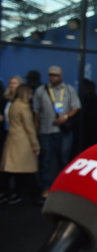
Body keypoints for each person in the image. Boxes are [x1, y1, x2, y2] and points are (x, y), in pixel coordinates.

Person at [33, 66, 81, 198]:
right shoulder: (41, 90)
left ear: (61, 76)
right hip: (45, 130)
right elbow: (36, 112)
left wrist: (65, 117)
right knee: (45, 161)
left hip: (63, 130)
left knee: (63, 159)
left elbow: (76, 107)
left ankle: (63, 186)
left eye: (55, 75)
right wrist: (35, 131)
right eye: (50, 75)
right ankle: (46, 187)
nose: (52, 77)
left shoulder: (69, 89)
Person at [0, 84, 40, 204]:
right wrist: (36, 145)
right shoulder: (24, 107)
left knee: (11, 170)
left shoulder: (13, 105)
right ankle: (35, 196)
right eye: (29, 94)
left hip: (12, 140)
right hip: (23, 142)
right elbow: (29, 128)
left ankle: (11, 194)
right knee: (28, 171)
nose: (31, 96)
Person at [0, 76, 24, 161]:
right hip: (5, 132)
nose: (12, 85)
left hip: (19, 133)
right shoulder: (4, 99)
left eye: (15, 83)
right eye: (10, 83)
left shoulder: (24, 100)